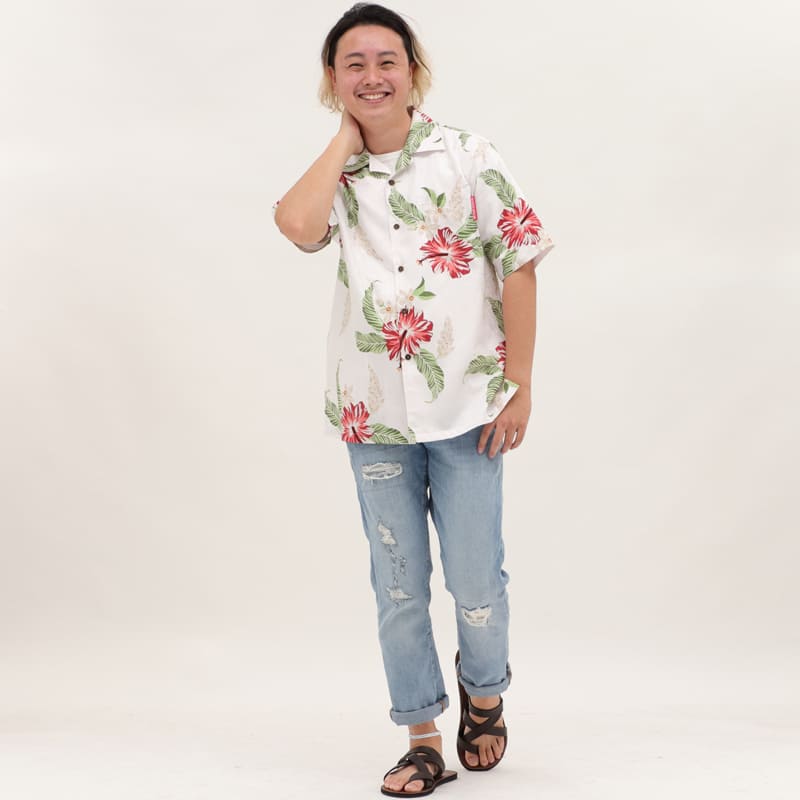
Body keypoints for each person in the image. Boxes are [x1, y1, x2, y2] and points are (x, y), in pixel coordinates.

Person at [274, 4, 554, 795]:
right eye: (353, 64)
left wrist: (520, 385)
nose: (372, 76)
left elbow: (520, 261)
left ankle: (485, 692)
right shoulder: (337, 175)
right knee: (397, 584)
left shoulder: (469, 157)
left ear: (412, 70)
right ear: (334, 79)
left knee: (476, 579)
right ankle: (422, 736)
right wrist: (345, 139)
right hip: (374, 415)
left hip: (469, 406)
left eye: (386, 60)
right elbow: (296, 226)